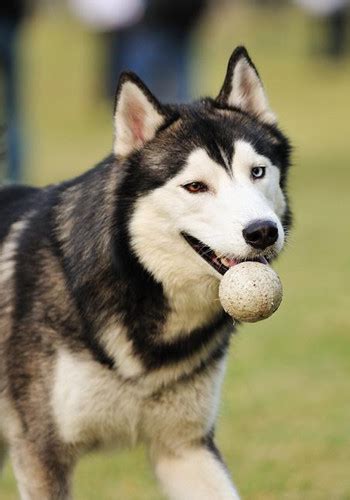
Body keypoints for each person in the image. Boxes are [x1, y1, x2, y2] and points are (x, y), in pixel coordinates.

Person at [0, 0, 27, 183]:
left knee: (13, 109)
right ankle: (14, 178)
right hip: (9, 15)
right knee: (13, 109)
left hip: (9, 16)